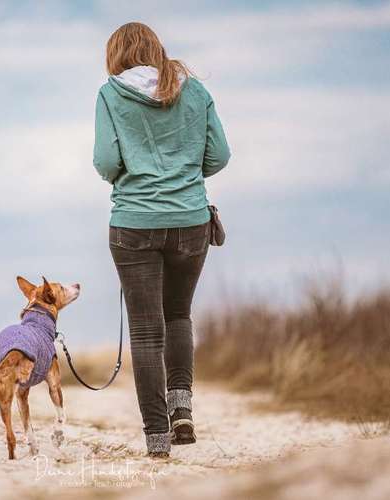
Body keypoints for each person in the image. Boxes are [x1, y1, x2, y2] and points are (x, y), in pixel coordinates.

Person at [93, 22, 231, 458]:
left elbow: (106, 161)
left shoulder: (111, 93)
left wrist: (134, 173)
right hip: (191, 222)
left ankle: (157, 438)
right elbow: (220, 155)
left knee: (146, 332)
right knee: (178, 316)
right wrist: (183, 176)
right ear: (155, 49)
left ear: (116, 55)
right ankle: (182, 409)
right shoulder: (194, 91)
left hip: (134, 223)